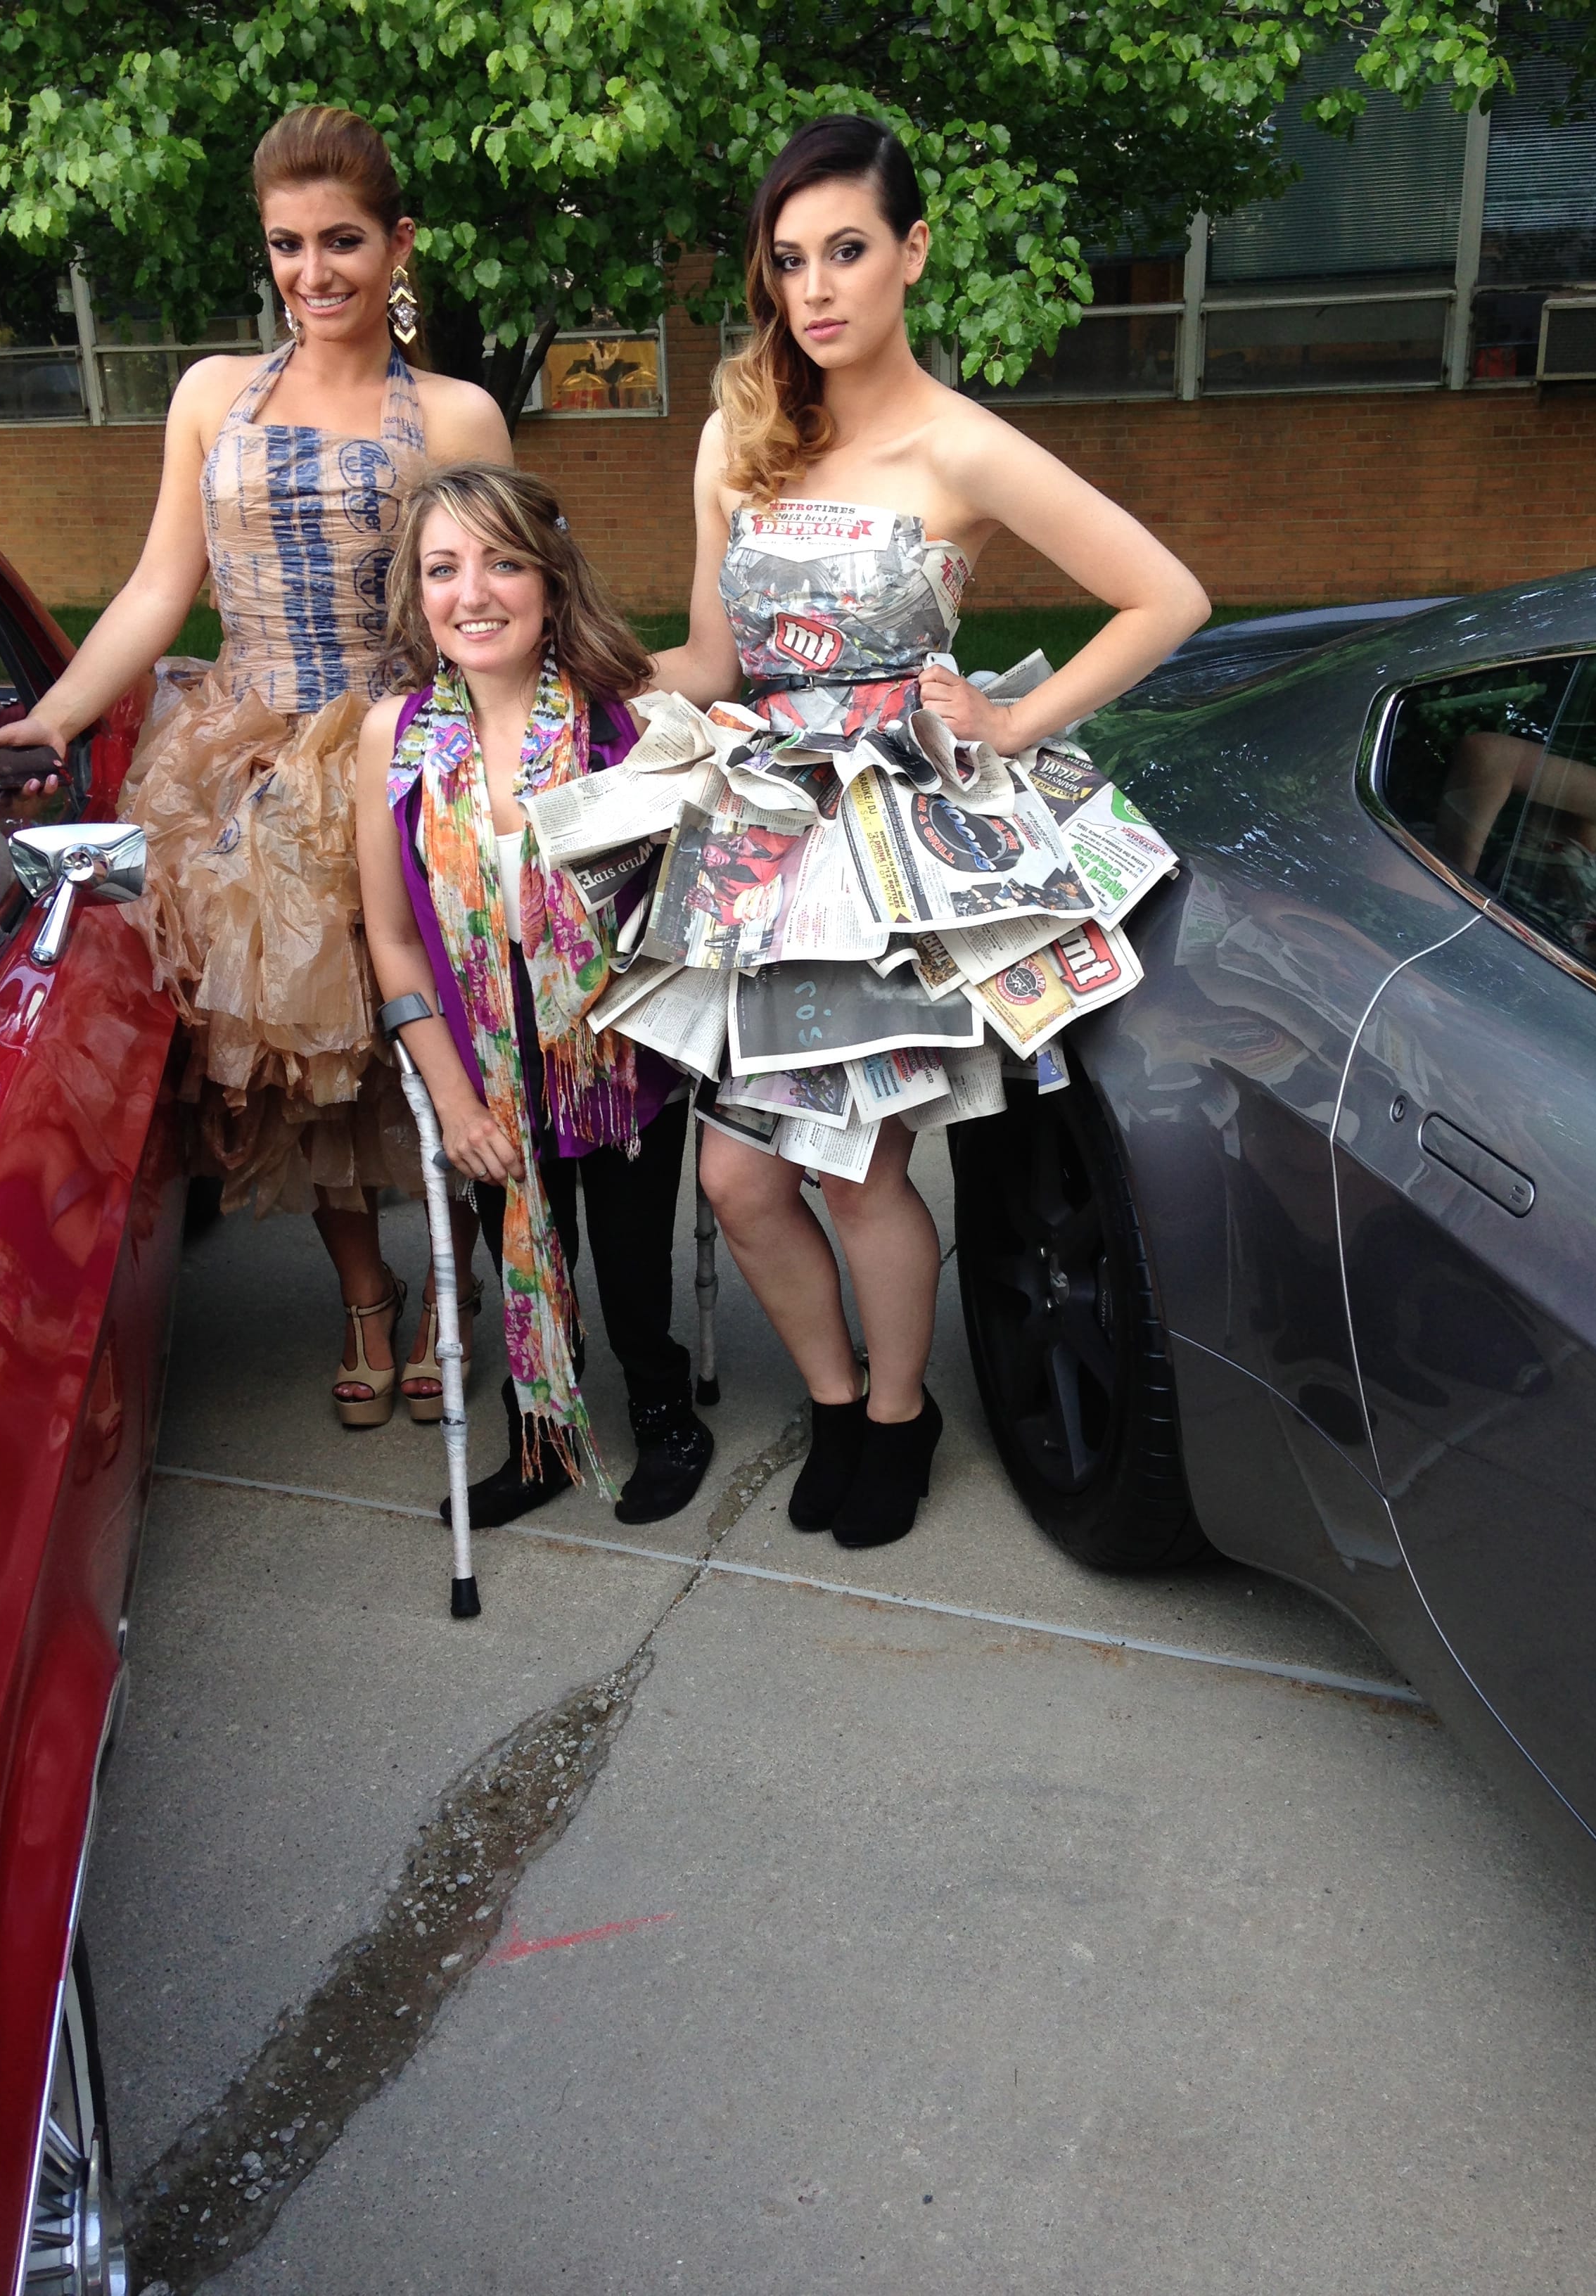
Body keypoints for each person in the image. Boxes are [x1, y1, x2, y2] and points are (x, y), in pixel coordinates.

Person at [651, 114, 1210, 1550]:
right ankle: (838, 1399)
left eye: (847, 251)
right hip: (767, 838)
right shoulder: (739, 435)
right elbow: (711, 659)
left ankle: (900, 1417)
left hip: (892, 852)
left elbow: (1165, 596)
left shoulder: (964, 445)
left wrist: (1013, 723)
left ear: (912, 251)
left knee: (858, 1172)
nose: (816, 289)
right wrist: (566, 684)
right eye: (789, 262)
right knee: (737, 1179)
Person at [0, 106, 512, 1428]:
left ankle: (457, 1290)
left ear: (399, 245)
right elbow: (162, 586)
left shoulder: (459, 413)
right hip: (248, 769)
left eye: (343, 241)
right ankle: (367, 1297)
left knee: (438, 1037)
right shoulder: (213, 393)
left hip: (404, 756)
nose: (313, 272)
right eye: (287, 244)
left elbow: (499, 604)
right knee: (299, 1062)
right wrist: (53, 720)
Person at [355, 463, 715, 1527]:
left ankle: (664, 1412)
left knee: (633, 1267)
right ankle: (541, 1437)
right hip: (483, 1061)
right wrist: (453, 1102)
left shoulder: (625, 722)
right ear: (418, 594)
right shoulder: (396, 736)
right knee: (528, 1245)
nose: (473, 594)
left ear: (551, 583)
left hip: (617, 1046)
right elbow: (392, 940)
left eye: (503, 563)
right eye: (443, 569)